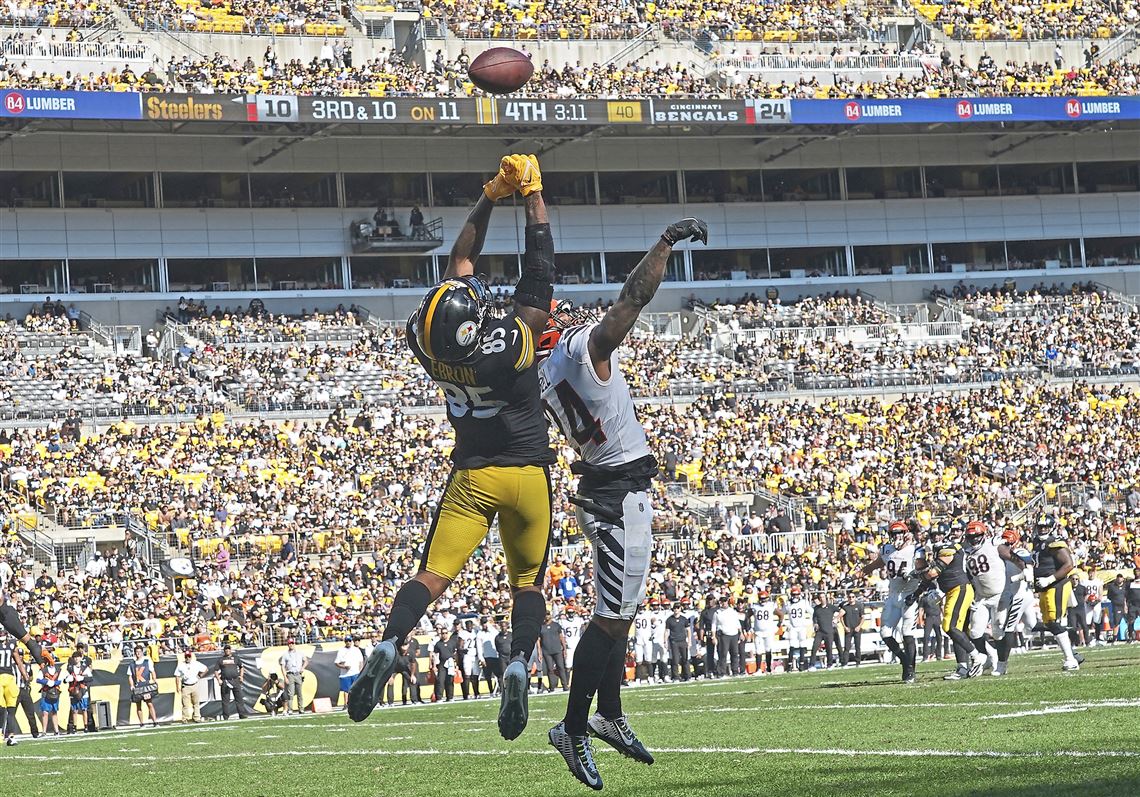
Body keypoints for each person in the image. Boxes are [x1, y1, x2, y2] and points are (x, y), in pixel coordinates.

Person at [349, 153, 556, 746]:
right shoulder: (509, 348)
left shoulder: (428, 346)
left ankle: (390, 642)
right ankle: (518, 664)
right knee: (527, 586)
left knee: (433, 576)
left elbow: (459, 262)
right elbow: (538, 270)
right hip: (527, 473)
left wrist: (490, 195)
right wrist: (530, 195)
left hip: (471, 475)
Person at [536, 217, 707, 790]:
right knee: (611, 619)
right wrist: (663, 243)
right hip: (615, 492)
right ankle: (573, 726)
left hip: (607, 484)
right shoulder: (582, 351)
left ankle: (607, 711)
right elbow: (632, 299)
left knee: (621, 610)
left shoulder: (535, 378)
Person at [920, 523, 986, 680]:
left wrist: (917, 574)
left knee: (949, 626)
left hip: (960, 589)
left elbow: (933, 573)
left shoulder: (950, 547)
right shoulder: (939, 549)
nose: (937, 537)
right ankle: (962, 668)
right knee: (957, 630)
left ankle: (978, 657)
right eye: (934, 534)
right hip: (952, 591)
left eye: (939, 534)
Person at [861, 521, 923, 683]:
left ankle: (911, 670)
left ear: (905, 534)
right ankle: (904, 660)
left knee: (907, 632)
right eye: (893, 534)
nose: (896, 537)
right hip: (893, 595)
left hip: (910, 594)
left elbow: (923, 569)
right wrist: (866, 569)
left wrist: (912, 573)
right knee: (885, 633)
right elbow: (881, 561)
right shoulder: (886, 549)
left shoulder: (915, 549)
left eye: (899, 533)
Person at [963, 521, 1026, 675]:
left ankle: (1002, 664)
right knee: (975, 633)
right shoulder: (966, 551)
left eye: (977, 536)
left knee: (998, 632)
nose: (974, 539)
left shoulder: (993, 544)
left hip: (1000, 595)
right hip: (981, 597)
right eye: (971, 536)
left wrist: (1026, 568)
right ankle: (991, 656)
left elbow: (1012, 556)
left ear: (983, 535)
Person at [1031, 516, 1081, 671]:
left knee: (1054, 621)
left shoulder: (1055, 542)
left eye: (1045, 527)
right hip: (1044, 587)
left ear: (1051, 528)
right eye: (1040, 527)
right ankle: (1073, 653)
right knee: (1049, 622)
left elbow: (1068, 564)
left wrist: (1049, 579)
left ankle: (1071, 659)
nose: (1042, 530)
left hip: (1057, 585)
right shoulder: (1037, 543)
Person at [0, 628, 28, 746]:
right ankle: (1, 734)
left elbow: (18, 661)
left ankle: (11, 736)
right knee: (1, 709)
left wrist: (25, 675)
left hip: (10, 678)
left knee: (11, 709)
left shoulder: (12, 644)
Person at [214, 644, 250, 720]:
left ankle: (242, 714)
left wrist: (241, 676)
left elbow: (241, 667)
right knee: (225, 700)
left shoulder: (236, 658)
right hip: (225, 681)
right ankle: (226, 716)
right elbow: (216, 670)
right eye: (226, 649)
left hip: (235, 680)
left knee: (239, 698)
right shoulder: (221, 660)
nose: (227, 650)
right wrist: (218, 680)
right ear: (224, 651)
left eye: (228, 649)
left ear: (231, 650)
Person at [127, 643, 160, 727]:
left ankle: (155, 722)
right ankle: (141, 723)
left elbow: (152, 671)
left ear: (142, 652)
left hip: (146, 685)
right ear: (135, 653)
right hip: (138, 686)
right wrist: (132, 685)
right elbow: (130, 676)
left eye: (140, 652)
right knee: (138, 706)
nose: (138, 653)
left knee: (149, 703)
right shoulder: (132, 664)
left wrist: (154, 680)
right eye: (137, 652)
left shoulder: (147, 661)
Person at [64, 646, 94, 733]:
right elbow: (64, 680)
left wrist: (82, 678)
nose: (76, 659)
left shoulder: (85, 668)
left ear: (81, 658)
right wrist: (68, 679)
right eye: (75, 657)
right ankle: (74, 727)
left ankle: (86, 726)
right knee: (74, 710)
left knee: (84, 709)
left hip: (83, 690)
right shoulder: (70, 668)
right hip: (73, 691)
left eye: (78, 657)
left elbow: (90, 678)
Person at [750, 589, 780, 675]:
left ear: (767, 598)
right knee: (758, 651)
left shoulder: (771, 605)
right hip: (758, 632)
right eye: (761, 598)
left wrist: (778, 625)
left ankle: (769, 669)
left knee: (768, 650)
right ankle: (758, 669)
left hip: (769, 631)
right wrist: (749, 627)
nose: (762, 600)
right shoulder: (755, 606)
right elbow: (747, 616)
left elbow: (781, 615)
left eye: (764, 598)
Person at [174, 650, 208, 723]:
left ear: (191, 657)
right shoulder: (181, 665)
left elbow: (206, 669)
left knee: (196, 703)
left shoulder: (196, 663)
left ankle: (196, 717)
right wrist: (177, 686)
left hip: (195, 685)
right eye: (186, 657)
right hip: (185, 686)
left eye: (189, 656)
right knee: (185, 704)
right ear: (184, 657)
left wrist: (200, 676)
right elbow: (177, 676)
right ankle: (185, 718)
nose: (187, 658)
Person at [784, 586, 813, 672]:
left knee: (802, 645)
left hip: (802, 626)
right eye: (794, 594)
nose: (795, 596)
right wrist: (786, 623)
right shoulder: (788, 604)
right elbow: (781, 613)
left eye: (797, 594)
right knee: (792, 646)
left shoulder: (804, 602)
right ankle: (789, 666)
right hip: (793, 627)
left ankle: (802, 664)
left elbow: (812, 612)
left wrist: (811, 622)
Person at [538, 614, 568, 692]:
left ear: (550, 615)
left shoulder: (556, 625)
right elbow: (538, 640)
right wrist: (539, 652)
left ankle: (565, 685)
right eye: (545, 615)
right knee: (550, 669)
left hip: (557, 650)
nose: (547, 616)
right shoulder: (541, 627)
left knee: (560, 667)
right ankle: (552, 687)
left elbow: (561, 637)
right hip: (546, 651)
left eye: (548, 614)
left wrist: (564, 649)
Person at [36, 648, 63, 735]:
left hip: (55, 692)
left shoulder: (58, 670)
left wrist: (54, 682)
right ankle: (44, 731)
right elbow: (38, 680)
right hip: (46, 692)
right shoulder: (43, 670)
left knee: (54, 712)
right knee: (45, 712)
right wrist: (46, 682)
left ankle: (56, 730)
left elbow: (60, 681)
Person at [279, 637, 308, 714]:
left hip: (298, 674)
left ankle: (301, 708)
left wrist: (302, 668)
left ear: (294, 644)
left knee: (299, 693)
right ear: (288, 645)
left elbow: (306, 661)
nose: (291, 645)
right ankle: (290, 709)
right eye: (289, 644)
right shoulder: (285, 655)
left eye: (292, 643)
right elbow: (282, 666)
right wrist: (285, 677)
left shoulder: (300, 653)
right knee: (290, 693)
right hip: (290, 674)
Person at [335, 637, 365, 710]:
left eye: (349, 641)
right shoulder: (341, 651)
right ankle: (346, 704)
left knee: (357, 689)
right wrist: (344, 666)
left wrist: (360, 671)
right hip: (345, 674)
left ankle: (357, 703)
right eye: (346, 641)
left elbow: (361, 661)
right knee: (346, 690)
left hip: (355, 672)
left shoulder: (356, 650)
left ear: (351, 641)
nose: (348, 642)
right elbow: (336, 663)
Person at [431, 626, 458, 703]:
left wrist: (456, 665)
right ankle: (439, 697)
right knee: (440, 680)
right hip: (442, 663)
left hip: (450, 663)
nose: (444, 635)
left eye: (446, 633)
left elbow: (455, 654)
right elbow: (435, 655)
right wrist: (434, 666)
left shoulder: (452, 643)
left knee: (450, 680)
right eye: (443, 633)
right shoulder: (438, 644)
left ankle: (450, 696)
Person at [665, 604, 692, 682]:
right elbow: (667, 631)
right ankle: (676, 677)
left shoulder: (684, 619)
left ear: (680, 609)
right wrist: (665, 641)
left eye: (677, 608)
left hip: (683, 641)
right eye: (675, 608)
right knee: (675, 660)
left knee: (685, 659)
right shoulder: (669, 620)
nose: (676, 610)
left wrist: (689, 641)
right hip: (674, 642)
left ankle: (687, 676)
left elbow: (688, 630)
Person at [841, 595, 865, 667]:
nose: (851, 598)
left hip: (857, 629)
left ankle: (858, 662)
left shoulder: (859, 606)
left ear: (855, 598)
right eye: (849, 597)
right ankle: (845, 663)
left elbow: (863, 617)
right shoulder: (845, 607)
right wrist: (845, 627)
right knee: (847, 647)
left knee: (857, 646)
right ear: (848, 598)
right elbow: (841, 617)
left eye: (853, 597)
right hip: (848, 630)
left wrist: (859, 626)